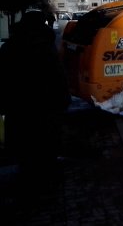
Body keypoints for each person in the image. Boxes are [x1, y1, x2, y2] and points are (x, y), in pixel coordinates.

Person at [0, 10, 71, 187]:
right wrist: (63, 99)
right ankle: (46, 180)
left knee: (25, 147)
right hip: (45, 107)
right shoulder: (45, 46)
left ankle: (28, 179)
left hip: (19, 109)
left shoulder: (10, 47)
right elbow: (57, 76)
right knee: (46, 146)